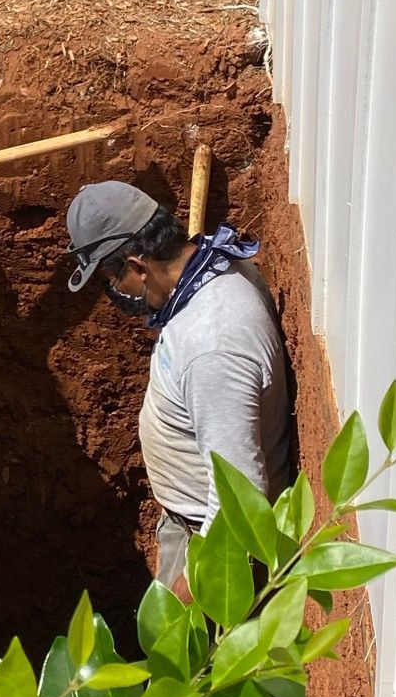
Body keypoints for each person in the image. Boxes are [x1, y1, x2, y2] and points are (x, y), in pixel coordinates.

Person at [64, 179, 292, 606]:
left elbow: (239, 501)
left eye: (116, 281)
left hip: (212, 551)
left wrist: (186, 593)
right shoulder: (216, 269)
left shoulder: (212, 347)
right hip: (190, 525)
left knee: (179, 672)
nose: (120, 295)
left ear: (137, 265)